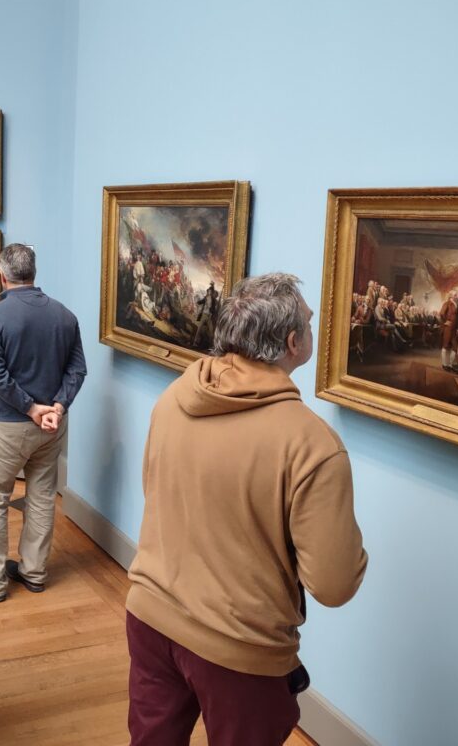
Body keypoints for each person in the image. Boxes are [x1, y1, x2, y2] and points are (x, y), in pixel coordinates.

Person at [126, 273, 368, 746]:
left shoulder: (175, 398)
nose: (314, 328)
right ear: (293, 343)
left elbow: (156, 492)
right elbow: (334, 585)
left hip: (150, 616)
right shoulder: (312, 444)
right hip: (239, 648)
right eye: (310, 322)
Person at [0, 244, 87, 602]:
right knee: (41, 497)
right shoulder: (65, 316)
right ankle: (34, 572)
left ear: (2, 276)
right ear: (34, 272)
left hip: (9, 426)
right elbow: (77, 370)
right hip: (52, 427)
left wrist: (30, 408)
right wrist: (57, 406)